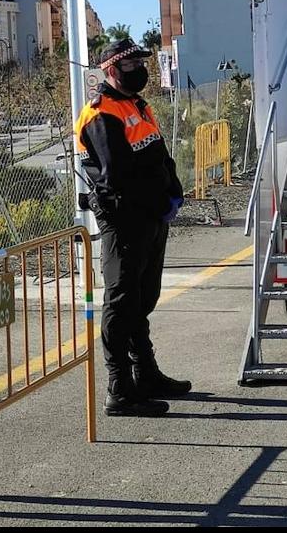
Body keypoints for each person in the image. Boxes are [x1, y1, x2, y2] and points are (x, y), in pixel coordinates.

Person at [74, 38, 189, 417]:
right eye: (130, 65)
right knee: (121, 302)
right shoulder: (100, 113)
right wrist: (156, 201)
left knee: (143, 298)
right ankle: (120, 387)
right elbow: (118, 175)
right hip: (125, 218)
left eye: (142, 62)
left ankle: (147, 374)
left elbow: (157, 154)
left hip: (151, 216)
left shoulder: (137, 104)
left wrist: (173, 192)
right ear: (110, 70)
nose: (139, 69)